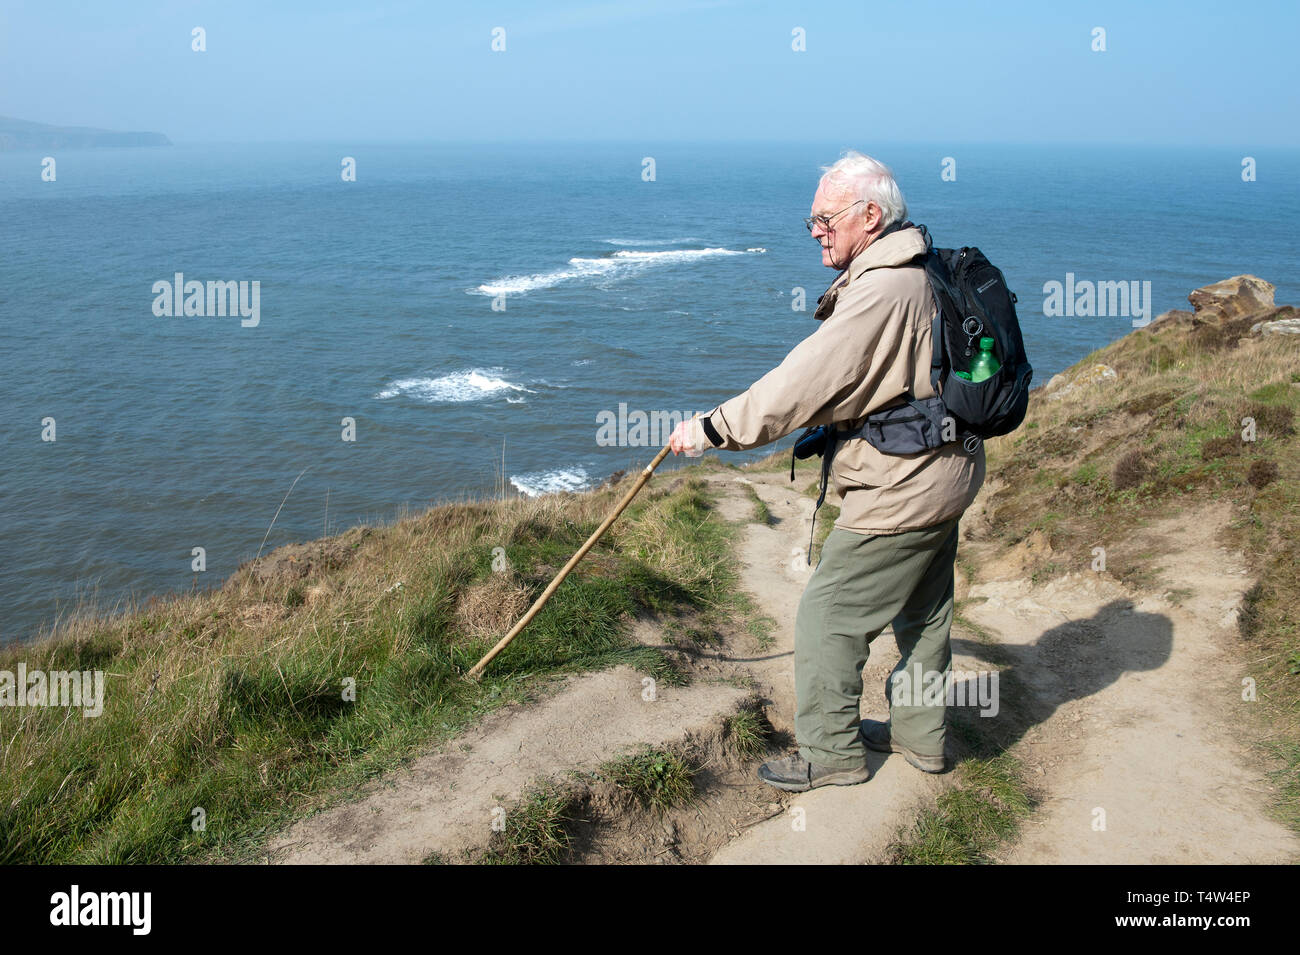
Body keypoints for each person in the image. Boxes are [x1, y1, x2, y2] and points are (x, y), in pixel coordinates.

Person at [668, 150, 985, 792]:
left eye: (824, 217)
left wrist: (711, 428)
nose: (815, 229)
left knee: (828, 616)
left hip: (901, 488)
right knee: (924, 618)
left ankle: (831, 753)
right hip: (945, 472)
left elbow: (803, 382)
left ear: (870, 216)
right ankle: (919, 738)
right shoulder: (920, 268)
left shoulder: (884, 288)